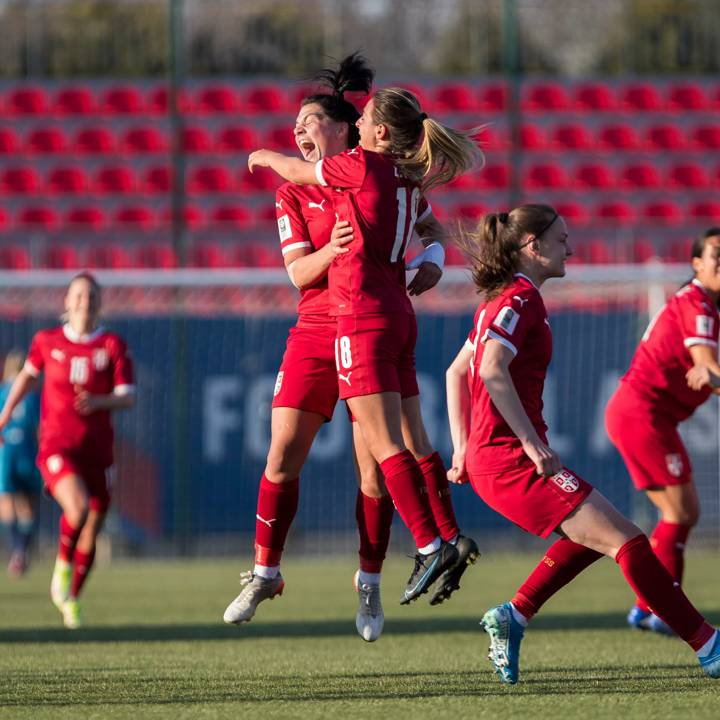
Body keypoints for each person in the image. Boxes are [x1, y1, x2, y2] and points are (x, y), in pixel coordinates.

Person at [224, 57, 478, 640]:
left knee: (375, 465)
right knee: (284, 452)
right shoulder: (300, 192)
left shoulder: (356, 167)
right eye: (295, 123)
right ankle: (266, 571)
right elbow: (297, 274)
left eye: (310, 120)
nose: (299, 129)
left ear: (344, 129)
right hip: (319, 329)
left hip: (364, 319)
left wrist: (435, 260)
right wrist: (333, 253)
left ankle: (371, 582)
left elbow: (428, 227)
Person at [445, 205, 720, 683]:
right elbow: (489, 370)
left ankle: (516, 614)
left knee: (601, 535)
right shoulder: (518, 300)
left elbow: (456, 372)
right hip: (511, 460)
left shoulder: (506, 299)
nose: (569, 248)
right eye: (561, 239)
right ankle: (709, 646)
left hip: (498, 457)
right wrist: (528, 445)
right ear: (533, 246)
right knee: (630, 541)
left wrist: (461, 449)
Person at [0, 272, 134, 628]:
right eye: (78, 294)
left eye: (91, 295)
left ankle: (71, 596)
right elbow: (27, 376)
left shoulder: (111, 346)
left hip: (98, 452)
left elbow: (128, 397)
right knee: (75, 508)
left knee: (93, 524)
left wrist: (99, 401)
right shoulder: (47, 341)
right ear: (66, 301)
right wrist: (5, 414)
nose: (84, 301)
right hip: (57, 445)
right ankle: (61, 568)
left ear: (99, 303)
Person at [605, 226, 720, 635]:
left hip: (651, 415)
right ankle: (658, 610)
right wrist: (707, 370)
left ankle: (647, 607)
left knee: (682, 512)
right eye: (716, 255)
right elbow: (705, 363)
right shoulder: (699, 305)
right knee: (679, 511)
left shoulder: (706, 304)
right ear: (696, 264)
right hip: (641, 413)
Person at [0, 349, 41, 577]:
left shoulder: (2, 392)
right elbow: (39, 429)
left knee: (7, 504)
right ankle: (21, 553)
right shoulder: (32, 395)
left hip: (5, 452)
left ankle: (16, 551)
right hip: (28, 452)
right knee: (27, 506)